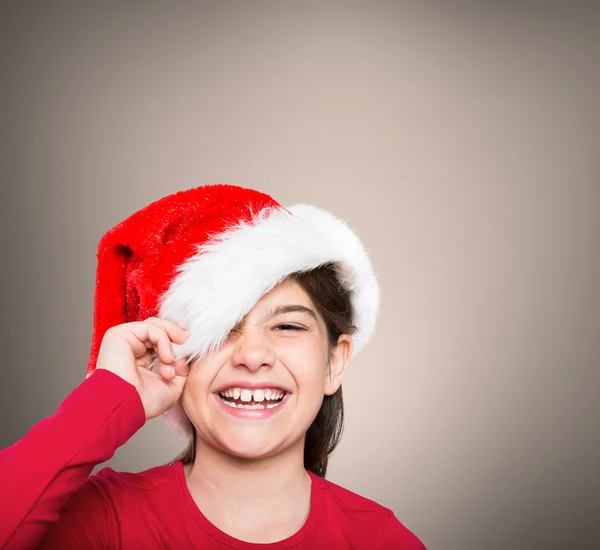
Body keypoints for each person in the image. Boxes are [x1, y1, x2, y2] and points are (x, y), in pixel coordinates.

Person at [0, 184, 427, 549]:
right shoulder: (104, 523)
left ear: (335, 362)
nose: (252, 354)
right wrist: (108, 397)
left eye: (288, 325)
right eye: (221, 329)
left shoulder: (380, 539)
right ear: (171, 351)